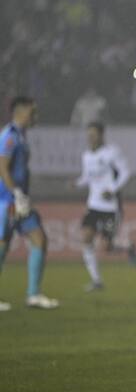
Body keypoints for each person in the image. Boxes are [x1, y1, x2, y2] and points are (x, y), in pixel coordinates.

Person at [0, 97, 58, 311]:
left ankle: (33, 294)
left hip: (20, 201)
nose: (36, 116)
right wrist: (16, 193)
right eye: (33, 112)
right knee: (3, 245)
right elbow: (2, 167)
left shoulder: (20, 136)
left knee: (39, 239)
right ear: (21, 111)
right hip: (7, 201)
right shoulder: (9, 136)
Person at [74, 121, 136, 292]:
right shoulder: (87, 156)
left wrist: (112, 189)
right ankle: (96, 281)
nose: (91, 138)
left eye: (94, 134)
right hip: (93, 205)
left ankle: (129, 247)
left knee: (107, 247)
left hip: (110, 207)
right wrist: (77, 183)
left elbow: (125, 172)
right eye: (89, 135)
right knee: (86, 238)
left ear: (102, 135)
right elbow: (87, 177)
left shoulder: (112, 152)